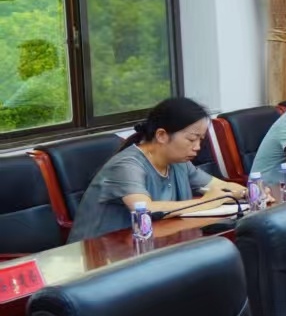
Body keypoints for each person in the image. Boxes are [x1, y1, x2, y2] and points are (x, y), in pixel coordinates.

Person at [69, 97, 249, 240]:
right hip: (103, 255)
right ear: (162, 135)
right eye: (192, 139)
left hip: (153, 246)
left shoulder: (180, 163)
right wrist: (207, 201)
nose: (198, 147)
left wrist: (248, 193)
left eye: (201, 140)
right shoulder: (126, 165)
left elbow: (220, 187)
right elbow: (146, 210)